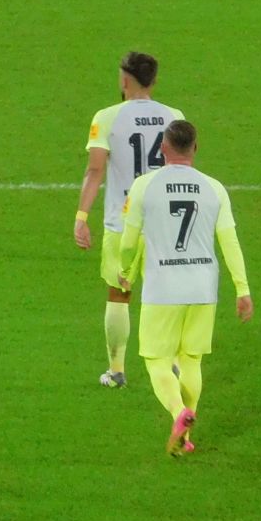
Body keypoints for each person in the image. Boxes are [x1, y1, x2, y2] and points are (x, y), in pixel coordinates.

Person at [115, 120, 253, 457]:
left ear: (163, 148)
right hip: (203, 286)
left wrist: (125, 271)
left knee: (157, 361)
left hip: (163, 286)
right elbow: (230, 242)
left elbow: (129, 242)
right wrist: (242, 289)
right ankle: (185, 438)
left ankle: (179, 413)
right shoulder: (214, 188)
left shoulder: (144, 185)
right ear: (195, 148)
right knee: (191, 360)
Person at [73, 51, 183, 389]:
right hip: (164, 222)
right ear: (154, 80)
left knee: (119, 293)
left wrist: (81, 217)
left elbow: (95, 170)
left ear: (124, 80)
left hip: (122, 224)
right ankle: (173, 364)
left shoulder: (107, 117)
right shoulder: (174, 117)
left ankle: (117, 371)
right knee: (166, 293)